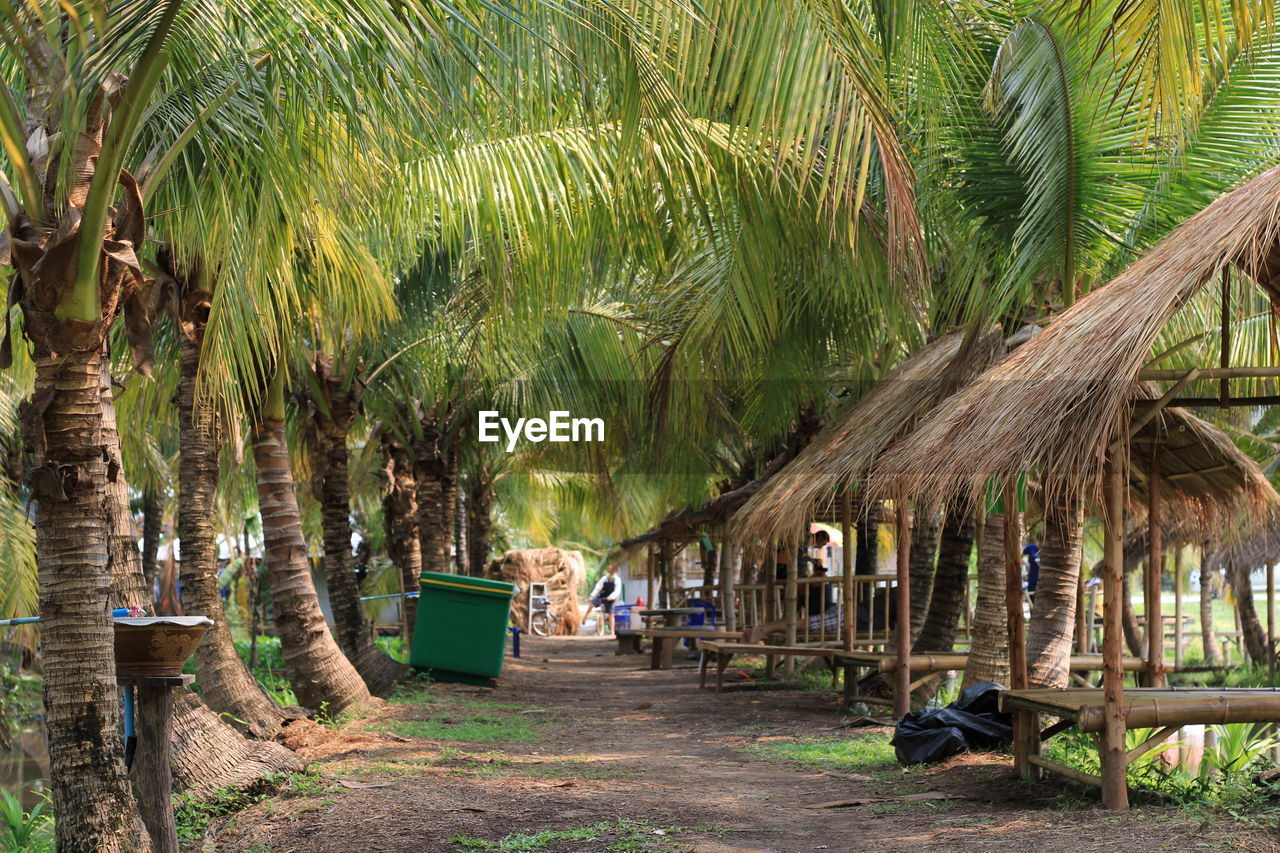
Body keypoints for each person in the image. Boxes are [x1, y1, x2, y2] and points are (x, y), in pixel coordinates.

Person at [589, 564, 623, 635]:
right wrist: (592, 596)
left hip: (611, 599)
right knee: (601, 613)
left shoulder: (617, 579)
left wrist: (611, 596)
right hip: (603, 598)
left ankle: (612, 631)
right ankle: (601, 631)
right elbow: (597, 587)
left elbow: (617, 590)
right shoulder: (604, 578)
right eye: (609, 569)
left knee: (611, 614)